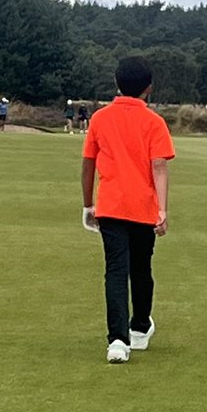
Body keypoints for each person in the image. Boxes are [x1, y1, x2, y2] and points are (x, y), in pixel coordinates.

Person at [81, 56, 175, 364]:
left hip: (110, 205)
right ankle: (138, 327)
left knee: (116, 271)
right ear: (148, 88)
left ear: (116, 84)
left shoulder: (100, 118)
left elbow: (88, 164)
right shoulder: (154, 122)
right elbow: (158, 166)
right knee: (141, 268)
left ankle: (117, 340)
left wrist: (87, 204)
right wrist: (162, 209)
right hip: (142, 207)